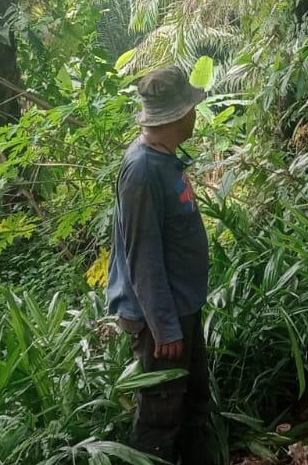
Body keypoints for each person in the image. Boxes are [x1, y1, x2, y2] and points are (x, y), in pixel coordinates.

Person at [107, 66, 215, 464]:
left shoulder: (162, 158)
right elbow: (143, 258)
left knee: (193, 406)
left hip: (180, 309)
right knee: (159, 419)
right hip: (161, 324)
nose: (195, 114)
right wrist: (165, 327)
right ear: (178, 115)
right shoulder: (142, 171)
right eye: (191, 107)